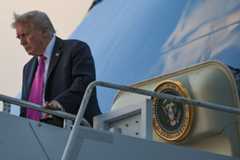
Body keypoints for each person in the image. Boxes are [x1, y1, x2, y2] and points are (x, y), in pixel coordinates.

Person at [12, 10, 101, 127]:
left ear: (44, 31)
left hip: (75, 130)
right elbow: (25, 109)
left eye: (25, 35)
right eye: (19, 38)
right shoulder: (28, 68)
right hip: (34, 135)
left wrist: (60, 103)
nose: (22, 43)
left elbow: (84, 84)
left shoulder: (76, 49)